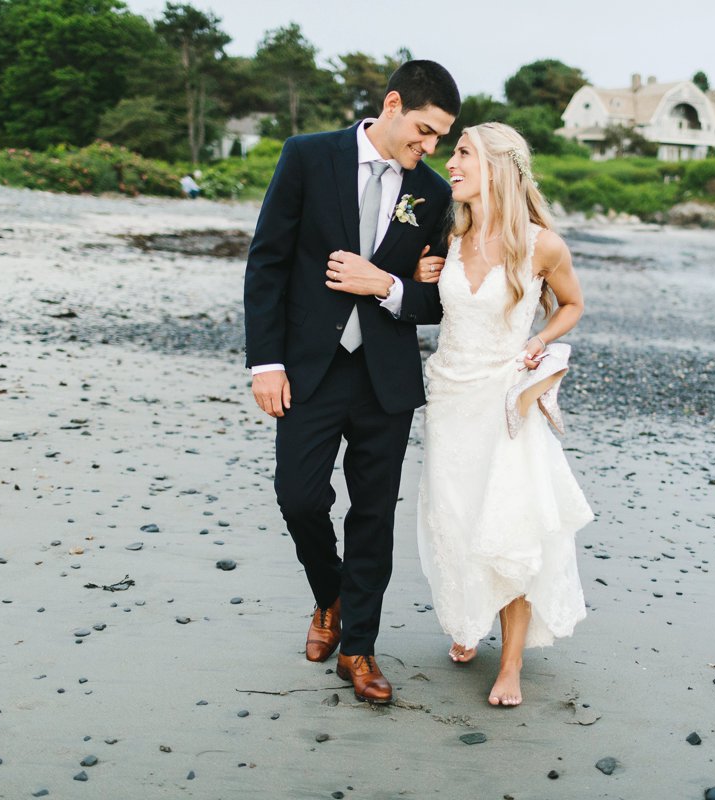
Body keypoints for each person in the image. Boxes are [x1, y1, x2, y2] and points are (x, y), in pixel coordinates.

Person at [243, 61, 460, 704]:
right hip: (307, 368)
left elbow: (435, 302)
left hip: (385, 380)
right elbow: (268, 262)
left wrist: (387, 285)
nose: (430, 148)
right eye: (423, 131)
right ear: (392, 104)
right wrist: (266, 363)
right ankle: (330, 596)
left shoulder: (435, 193)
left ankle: (360, 648)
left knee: (372, 516)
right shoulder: (307, 157)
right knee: (299, 498)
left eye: (441, 139)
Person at [411, 123, 593, 706]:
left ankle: (510, 663)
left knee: (508, 523)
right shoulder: (449, 236)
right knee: (458, 517)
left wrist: (540, 340)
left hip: (503, 401)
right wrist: (420, 277)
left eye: (463, 153)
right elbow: (428, 307)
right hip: (449, 397)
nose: (451, 164)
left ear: (498, 167)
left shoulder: (541, 244)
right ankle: (470, 617)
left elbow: (573, 304)